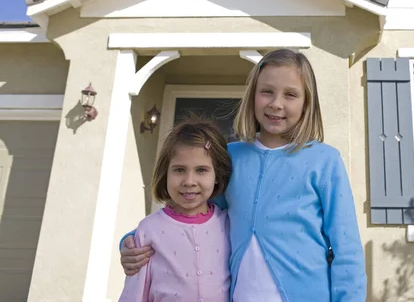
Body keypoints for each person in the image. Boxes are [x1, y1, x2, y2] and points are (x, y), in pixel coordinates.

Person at [120, 49, 366, 301]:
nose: (276, 103)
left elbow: (347, 250)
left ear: (306, 103)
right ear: (252, 96)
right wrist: (134, 241)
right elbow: (194, 214)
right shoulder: (231, 156)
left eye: (290, 94)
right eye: (267, 91)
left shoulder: (325, 161)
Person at [118, 118, 232, 302]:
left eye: (201, 170)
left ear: (217, 175)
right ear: (166, 173)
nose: (189, 181)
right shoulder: (149, 230)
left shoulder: (227, 223)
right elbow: (134, 293)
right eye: (179, 170)